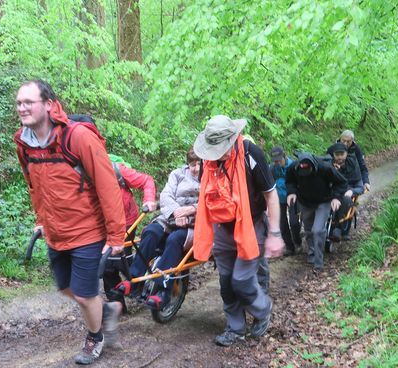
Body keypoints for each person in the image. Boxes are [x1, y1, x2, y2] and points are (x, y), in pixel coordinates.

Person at [14, 80, 126, 365]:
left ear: (49, 105)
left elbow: (108, 187)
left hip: (87, 230)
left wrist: (115, 237)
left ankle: (95, 338)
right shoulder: (24, 143)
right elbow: (33, 185)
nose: (22, 107)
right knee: (67, 288)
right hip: (55, 232)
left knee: (86, 294)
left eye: (29, 101)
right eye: (19, 103)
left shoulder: (77, 138)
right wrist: (41, 219)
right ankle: (108, 310)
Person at [193, 115, 283, 347]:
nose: (217, 154)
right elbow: (206, 197)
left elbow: (271, 195)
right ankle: (236, 328)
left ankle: (263, 309)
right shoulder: (208, 162)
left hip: (251, 225)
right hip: (223, 227)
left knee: (242, 280)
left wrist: (274, 233)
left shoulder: (251, 154)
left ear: (233, 139)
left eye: (221, 148)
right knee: (226, 283)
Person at [115, 149, 201, 309]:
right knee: (150, 232)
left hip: (195, 223)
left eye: (199, 164)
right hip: (171, 217)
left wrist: (190, 212)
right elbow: (166, 195)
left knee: (174, 239)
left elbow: (211, 202)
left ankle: (164, 290)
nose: (195, 168)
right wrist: (176, 211)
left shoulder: (211, 177)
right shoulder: (178, 174)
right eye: (192, 164)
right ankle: (134, 279)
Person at [102, 159, 156, 314]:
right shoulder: (80, 175)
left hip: (126, 222)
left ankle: (145, 288)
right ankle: (118, 306)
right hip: (101, 225)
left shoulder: (116, 170)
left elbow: (146, 180)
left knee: (120, 261)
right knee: (107, 266)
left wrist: (149, 199)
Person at [285, 153, 347, 271]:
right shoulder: (293, 168)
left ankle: (319, 262)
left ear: (313, 167)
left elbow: (342, 182)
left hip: (323, 201)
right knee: (308, 230)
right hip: (305, 202)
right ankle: (312, 253)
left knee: (317, 230)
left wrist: (336, 197)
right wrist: (291, 192)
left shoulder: (325, 168)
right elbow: (290, 181)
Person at [327, 142, 364, 241]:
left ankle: (338, 227)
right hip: (332, 191)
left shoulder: (353, 165)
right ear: (333, 155)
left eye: (342, 154)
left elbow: (360, 185)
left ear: (346, 154)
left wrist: (352, 191)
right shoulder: (328, 164)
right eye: (337, 154)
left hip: (348, 191)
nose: (339, 157)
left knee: (346, 199)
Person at [270, 146, 302, 256]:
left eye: (279, 160)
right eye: (275, 161)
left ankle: (298, 242)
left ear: (284, 156)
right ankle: (289, 247)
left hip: (292, 197)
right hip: (279, 198)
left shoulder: (294, 166)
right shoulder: (272, 168)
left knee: (293, 222)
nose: (277, 163)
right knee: (282, 223)